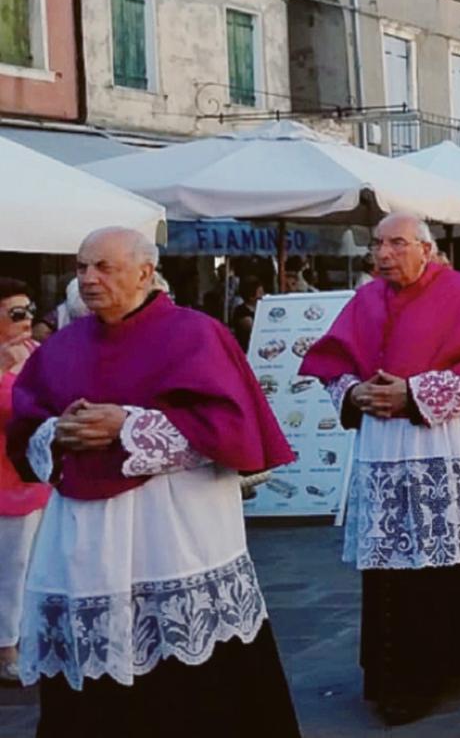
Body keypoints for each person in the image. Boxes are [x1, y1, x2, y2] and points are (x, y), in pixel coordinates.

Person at [6, 228, 299, 736]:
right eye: (81, 268)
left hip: (173, 529)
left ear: (145, 272)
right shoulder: (63, 344)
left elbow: (229, 429)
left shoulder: (196, 333)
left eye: (104, 267)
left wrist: (129, 425)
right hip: (84, 532)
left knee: (189, 679)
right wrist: (60, 431)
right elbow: (27, 422)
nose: (89, 279)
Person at [299, 214, 460, 725]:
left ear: (426, 250)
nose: (384, 254)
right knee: (392, 569)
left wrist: (414, 392)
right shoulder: (365, 299)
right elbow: (333, 366)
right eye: (378, 244)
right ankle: (396, 673)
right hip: (383, 449)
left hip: (442, 447)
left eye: (397, 244)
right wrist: (354, 392)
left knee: (443, 562)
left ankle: (438, 665)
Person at [0, 279, 46, 686]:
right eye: (16, 312)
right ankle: (5, 647)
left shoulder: (36, 353)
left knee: (33, 564)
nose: (28, 318)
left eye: (29, 309)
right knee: (10, 567)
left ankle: (25, 637)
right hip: (3, 481)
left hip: (34, 476)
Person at [229, 276, 264, 350]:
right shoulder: (241, 311)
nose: (263, 296)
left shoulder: (262, 309)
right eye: (260, 293)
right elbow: (252, 327)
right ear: (251, 296)